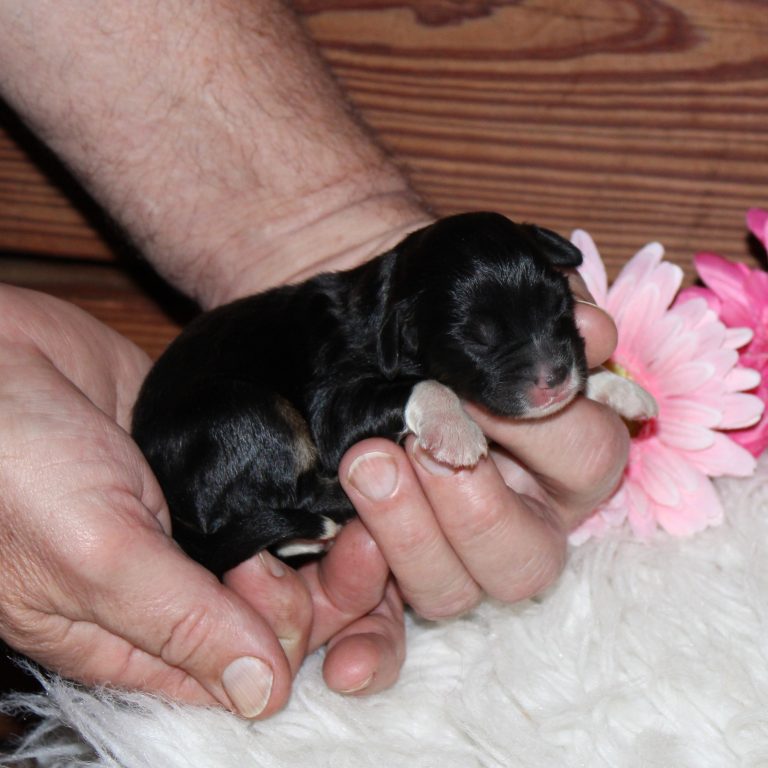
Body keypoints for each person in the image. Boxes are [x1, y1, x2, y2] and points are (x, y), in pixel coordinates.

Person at [0, 0, 627, 720]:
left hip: (246, 432)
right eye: (487, 340)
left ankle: (306, 517)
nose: (550, 368)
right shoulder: (370, 344)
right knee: (296, 435)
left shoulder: (387, 318)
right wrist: (426, 405)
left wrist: (597, 387)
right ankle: (297, 514)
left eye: (556, 323)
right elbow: (340, 425)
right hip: (209, 434)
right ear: (408, 335)